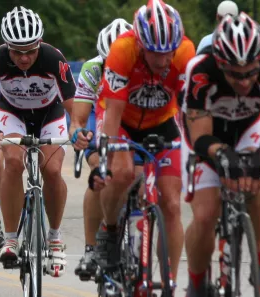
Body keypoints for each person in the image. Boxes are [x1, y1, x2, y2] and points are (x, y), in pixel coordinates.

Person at [77, 0, 194, 281]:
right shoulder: (122, 50)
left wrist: (195, 147)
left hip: (163, 121)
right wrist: (108, 156)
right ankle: (111, 229)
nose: (163, 60)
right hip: (123, 120)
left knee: (172, 204)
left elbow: (190, 109)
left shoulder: (186, 52)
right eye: (155, 53)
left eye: (169, 52)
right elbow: (112, 113)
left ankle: (170, 280)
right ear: (140, 43)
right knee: (123, 172)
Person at [0, 6, 76, 277]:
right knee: (12, 162)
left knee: (53, 170)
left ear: (40, 43)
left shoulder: (54, 58)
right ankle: (10, 238)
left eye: (31, 50)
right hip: (12, 114)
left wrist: (79, 130)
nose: (24, 57)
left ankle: (54, 238)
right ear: (6, 47)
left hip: (49, 113)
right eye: (17, 51)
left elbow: (73, 107)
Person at [181, 13, 260, 297]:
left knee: (255, 184)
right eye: (234, 74)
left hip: (247, 127)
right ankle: (197, 281)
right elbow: (200, 137)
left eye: (250, 73)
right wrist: (221, 155)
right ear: (219, 63)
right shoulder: (200, 71)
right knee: (206, 214)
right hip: (205, 132)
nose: (244, 81)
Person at [69, 17, 133, 281]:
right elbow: (80, 118)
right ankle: (90, 249)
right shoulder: (93, 68)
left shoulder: (143, 68)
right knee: (99, 170)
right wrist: (77, 134)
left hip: (132, 115)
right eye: (110, 64)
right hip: (101, 113)